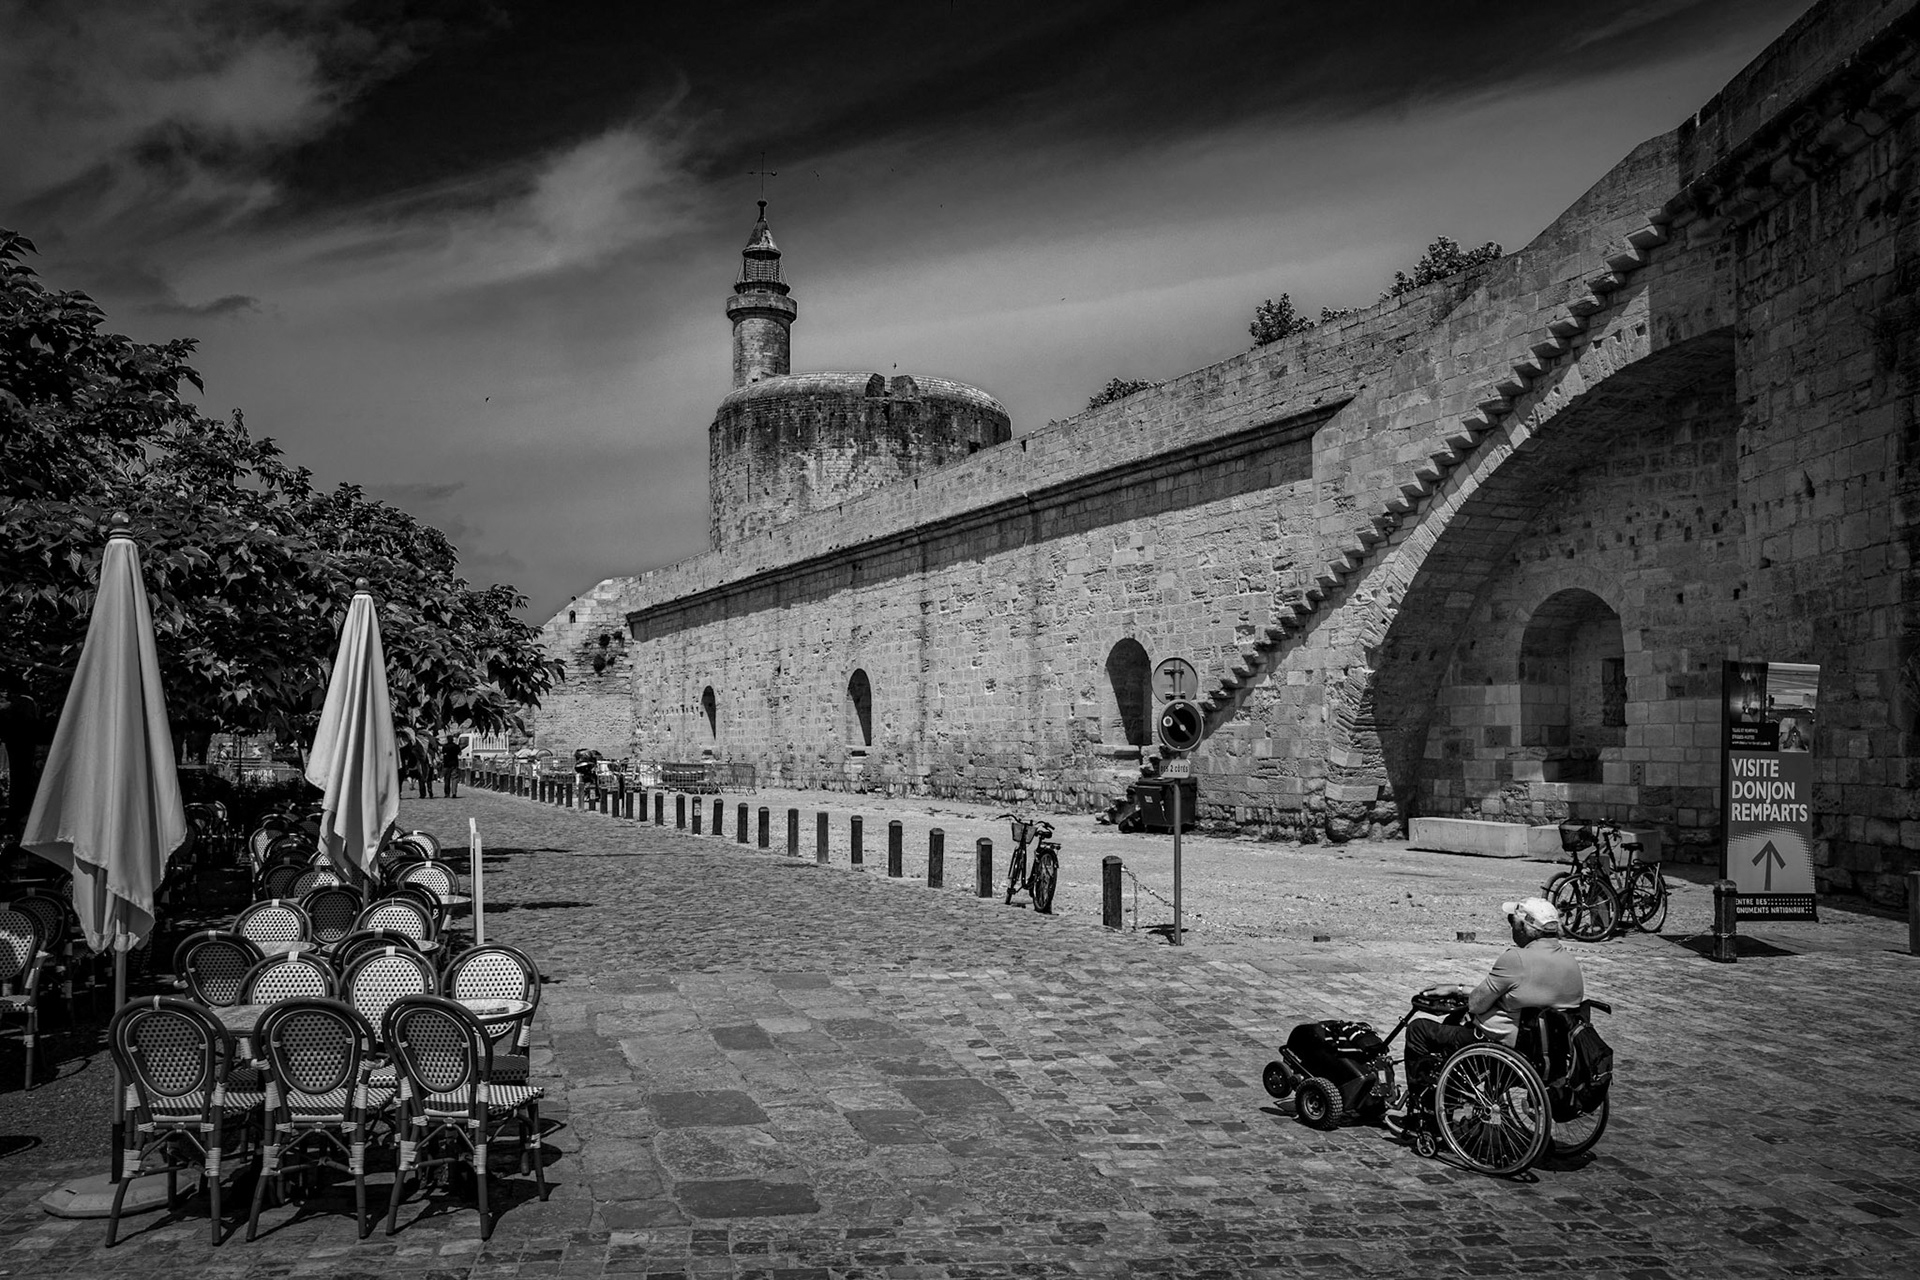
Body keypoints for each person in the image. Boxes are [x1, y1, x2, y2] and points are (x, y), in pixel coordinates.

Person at [1386, 897, 1585, 1133]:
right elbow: (1518, 995)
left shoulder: (1516, 959)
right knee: (1456, 1029)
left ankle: (1425, 1115)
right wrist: (1457, 988)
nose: (1511, 926)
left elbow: (1476, 1004)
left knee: (1420, 1029)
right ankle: (1450, 1095)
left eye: (1512, 921)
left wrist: (1463, 994)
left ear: (1524, 927)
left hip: (1505, 1048)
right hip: (1550, 1053)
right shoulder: (1569, 962)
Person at [440, 733, 463, 798]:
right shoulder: (456, 746)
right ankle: (454, 793)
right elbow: (460, 753)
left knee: (447, 779)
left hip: (446, 764)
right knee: (454, 778)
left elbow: (442, 755)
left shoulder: (445, 746)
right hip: (454, 764)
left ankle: (447, 793)